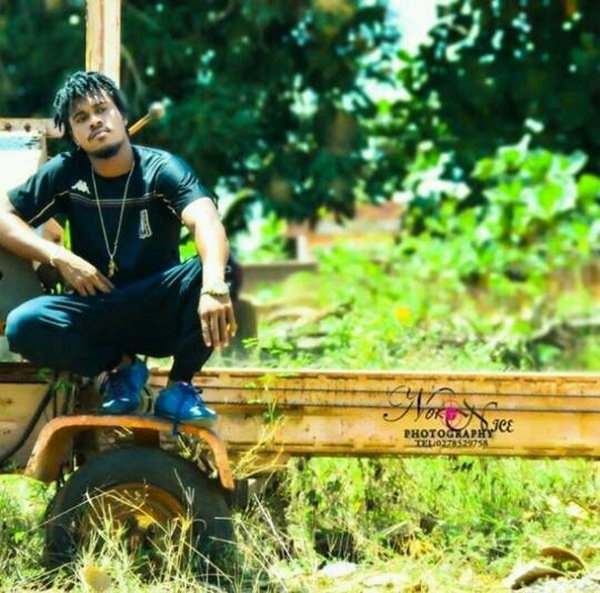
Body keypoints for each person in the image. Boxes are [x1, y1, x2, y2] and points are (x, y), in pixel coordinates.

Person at [0, 70, 237, 424]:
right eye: (81, 118)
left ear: (122, 116)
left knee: (223, 268)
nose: (94, 121)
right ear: (74, 134)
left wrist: (214, 285)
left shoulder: (162, 168)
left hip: (159, 307)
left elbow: (206, 219)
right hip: (98, 305)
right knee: (23, 325)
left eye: (102, 110)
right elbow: (3, 216)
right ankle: (122, 369)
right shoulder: (66, 172)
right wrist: (59, 256)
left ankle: (180, 386)